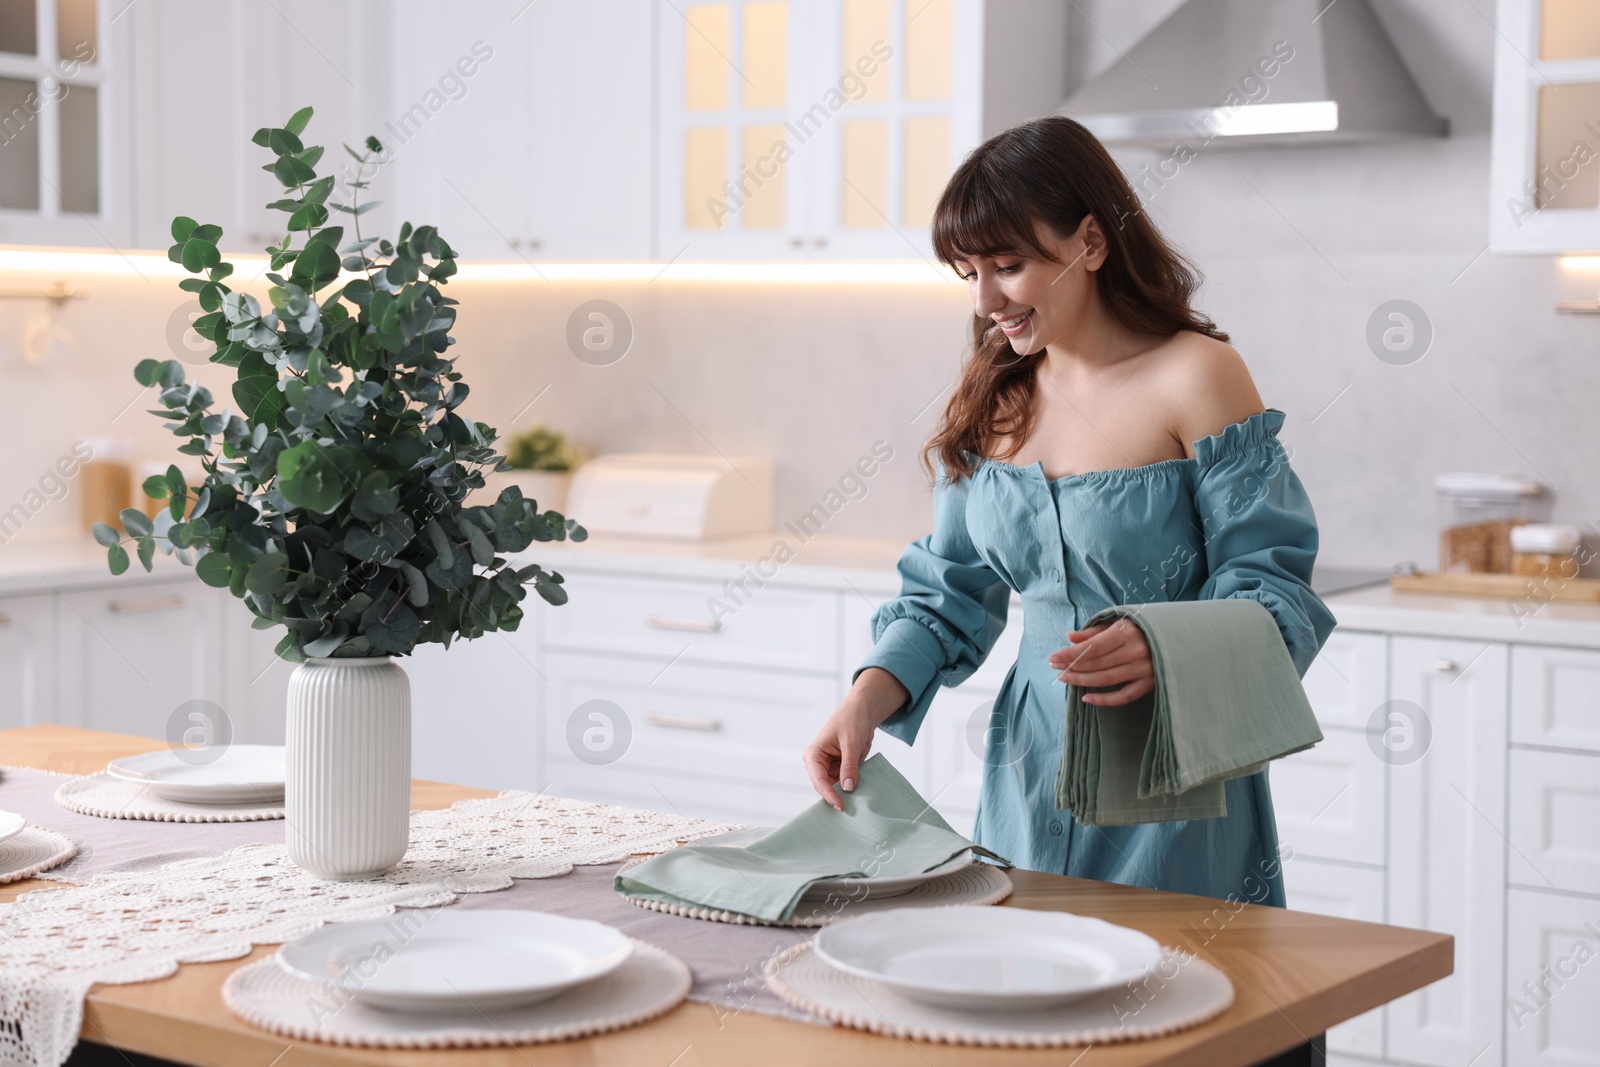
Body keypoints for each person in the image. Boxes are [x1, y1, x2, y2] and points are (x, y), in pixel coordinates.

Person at [801, 116, 1336, 908]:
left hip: (1173, 772)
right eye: (969, 273)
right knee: (1024, 996)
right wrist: (864, 698)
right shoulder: (998, 395)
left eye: (1008, 266)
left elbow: (1276, 584)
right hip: (1027, 767)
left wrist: (1169, 647)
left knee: (1175, 1004)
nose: (985, 302)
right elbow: (946, 593)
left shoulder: (1198, 375)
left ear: (1090, 241)